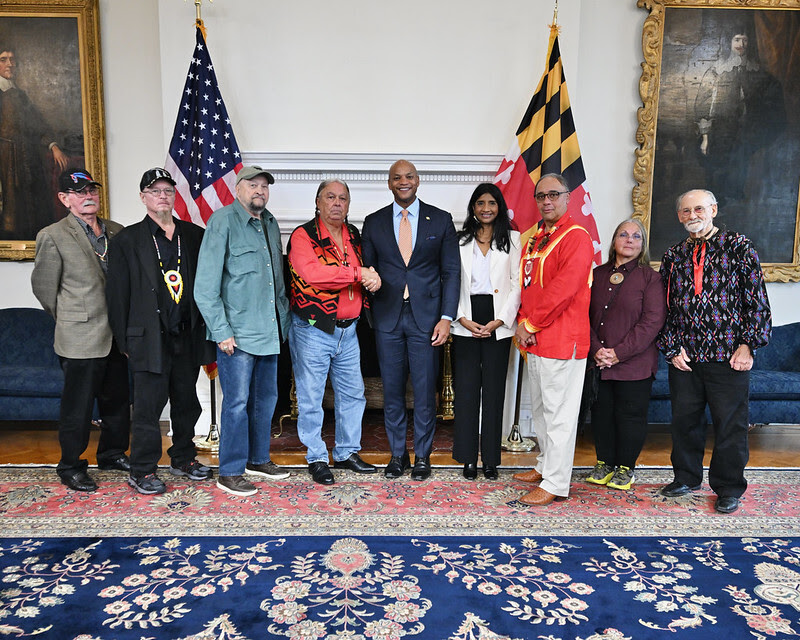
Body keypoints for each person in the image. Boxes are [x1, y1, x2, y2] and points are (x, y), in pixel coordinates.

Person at [658, 188, 771, 514]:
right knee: (684, 422)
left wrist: (747, 345)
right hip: (685, 358)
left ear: (714, 210)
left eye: (699, 209)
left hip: (729, 356)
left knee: (730, 426)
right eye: (686, 211)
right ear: (679, 216)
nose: (692, 215)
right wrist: (671, 348)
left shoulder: (739, 246)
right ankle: (686, 477)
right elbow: (662, 307)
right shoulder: (673, 255)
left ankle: (728, 488)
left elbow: (757, 301)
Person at [106, 168, 216, 495]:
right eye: (155, 191)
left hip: (187, 335)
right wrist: (125, 341)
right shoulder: (126, 240)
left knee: (187, 403)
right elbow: (117, 295)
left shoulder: (194, 236)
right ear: (143, 197)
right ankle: (142, 469)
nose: (162, 196)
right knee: (148, 408)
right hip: (148, 339)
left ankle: (183, 457)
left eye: (168, 190)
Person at [31, 169, 130, 491]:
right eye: (79, 192)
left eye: (92, 190)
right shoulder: (52, 235)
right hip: (80, 337)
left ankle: (112, 454)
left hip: (117, 335)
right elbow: (45, 290)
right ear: (64, 199)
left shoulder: (116, 231)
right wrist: (73, 318)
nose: (88, 196)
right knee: (78, 407)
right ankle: (71, 465)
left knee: (117, 401)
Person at [194, 166, 291, 497]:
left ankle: (258, 459)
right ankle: (230, 471)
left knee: (266, 400)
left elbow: (276, 282)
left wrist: (283, 325)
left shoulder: (271, 223)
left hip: (269, 331)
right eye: (253, 185)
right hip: (236, 334)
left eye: (264, 186)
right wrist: (221, 330)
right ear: (238, 189)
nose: (260, 190)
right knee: (236, 403)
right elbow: (205, 287)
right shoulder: (222, 221)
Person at [361, 159, 460, 481]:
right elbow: (367, 270)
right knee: (391, 392)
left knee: (424, 392)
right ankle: (397, 455)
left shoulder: (440, 220)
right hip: (387, 319)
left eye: (409, 176)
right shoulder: (373, 222)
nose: (403, 182)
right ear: (389, 183)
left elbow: (451, 272)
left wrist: (446, 317)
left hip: (427, 320)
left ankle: (422, 457)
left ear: (418, 181)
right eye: (396, 178)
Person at [287, 179, 382, 484]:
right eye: (330, 197)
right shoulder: (304, 235)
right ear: (318, 202)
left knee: (353, 394)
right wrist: (358, 273)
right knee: (311, 397)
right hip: (313, 328)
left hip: (349, 330)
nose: (337, 203)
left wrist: (372, 277)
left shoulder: (353, 234)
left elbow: (367, 270)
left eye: (343, 198)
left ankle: (346, 452)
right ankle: (316, 457)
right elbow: (314, 274)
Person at [511, 173, 594, 506]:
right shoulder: (537, 238)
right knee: (542, 412)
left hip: (562, 339)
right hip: (537, 339)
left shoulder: (576, 237)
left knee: (559, 416)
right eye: (541, 196)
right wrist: (524, 323)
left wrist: (530, 324)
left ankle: (556, 482)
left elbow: (563, 290)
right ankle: (545, 465)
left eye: (553, 195)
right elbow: (527, 288)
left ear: (568, 197)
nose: (546, 201)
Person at [585, 218, 666, 491]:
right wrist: (597, 350)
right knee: (601, 415)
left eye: (636, 236)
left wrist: (618, 353)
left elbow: (652, 322)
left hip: (635, 364)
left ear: (643, 245)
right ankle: (604, 463)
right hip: (598, 362)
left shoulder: (651, 278)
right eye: (623, 234)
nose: (629, 239)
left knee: (630, 416)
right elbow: (582, 316)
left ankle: (625, 468)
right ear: (614, 241)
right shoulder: (596, 274)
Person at [451, 184, 521, 480]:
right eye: (480, 203)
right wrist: (461, 318)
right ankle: (468, 458)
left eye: (492, 203)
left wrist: (500, 320)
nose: (486, 208)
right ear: (473, 208)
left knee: (493, 392)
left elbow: (517, 284)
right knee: (466, 392)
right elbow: (450, 281)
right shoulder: (458, 240)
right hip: (465, 318)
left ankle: (491, 459)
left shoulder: (513, 239)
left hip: (498, 321)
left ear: (499, 206)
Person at [694, 27, 785, 203]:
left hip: (745, 134)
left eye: (745, 40)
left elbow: (767, 102)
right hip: (719, 134)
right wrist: (705, 137)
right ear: (729, 42)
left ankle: (735, 200)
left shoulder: (757, 73)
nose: (741, 44)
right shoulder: (716, 71)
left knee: (738, 173)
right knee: (717, 173)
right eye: (737, 39)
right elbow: (702, 105)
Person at [0, 45, 69, 240]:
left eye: (12, 59)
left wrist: (53, 146)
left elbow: (38, 123)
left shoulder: (20, 95)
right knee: (10, 209)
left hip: (26, 157)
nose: (10, 64)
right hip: (4, 159)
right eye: (3, 59)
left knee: (31, 206)